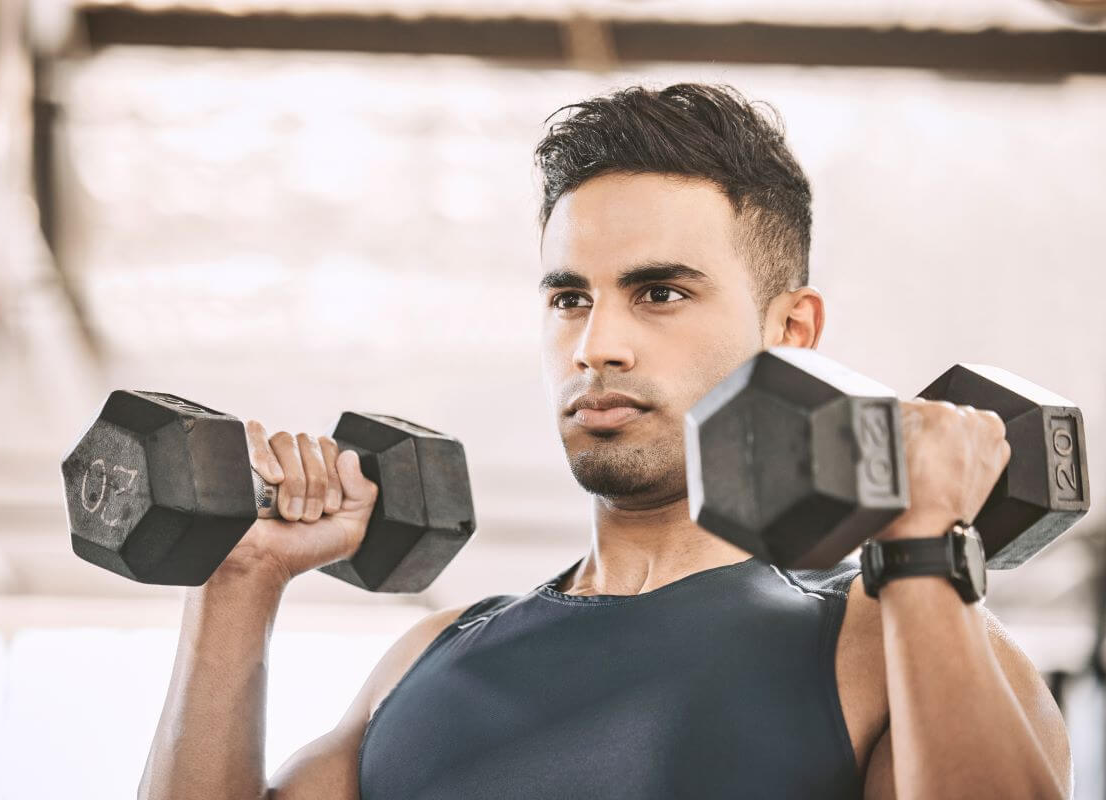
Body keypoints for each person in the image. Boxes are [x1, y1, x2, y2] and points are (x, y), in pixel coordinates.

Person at [137, 84, 1072, 800]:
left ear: (791, 329)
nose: (596, 345)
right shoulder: (430, 658)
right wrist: (240, 582)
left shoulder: (884, 631)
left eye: (660, 292)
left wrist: (918, 545)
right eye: (569, 297)